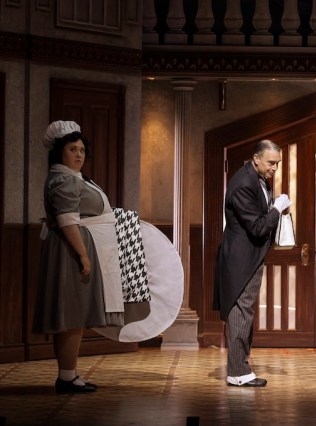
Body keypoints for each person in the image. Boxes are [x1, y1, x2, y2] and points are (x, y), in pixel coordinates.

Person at [33, 120, 183, 394]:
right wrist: (82, 255)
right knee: (71, 316)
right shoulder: (63, 179)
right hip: (71, 251)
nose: (79, 155)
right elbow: (67, 221)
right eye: (72, 149)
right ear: (59, 152)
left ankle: (69, 375)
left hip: (79, 249)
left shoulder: (75, 177)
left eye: (81, 150)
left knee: (75, 316)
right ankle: (66, 377)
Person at [213, 139, 292, 387]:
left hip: (249, 256)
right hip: (240, 259)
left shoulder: (258, 177)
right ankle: (237, 372)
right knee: (240, 312)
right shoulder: (243, 183)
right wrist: (276, 209)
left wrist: (275, 208)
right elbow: (257, 227)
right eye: (271, 163)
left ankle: (241, 367)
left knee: (245, 311)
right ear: (256, 159)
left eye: (277, 163)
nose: (274, 168)